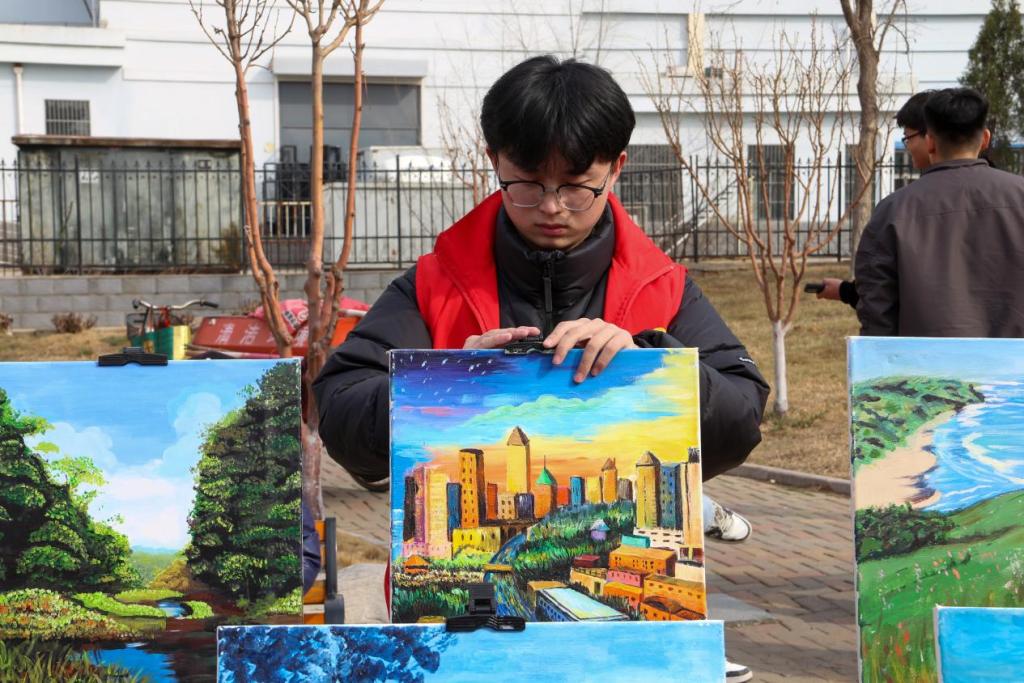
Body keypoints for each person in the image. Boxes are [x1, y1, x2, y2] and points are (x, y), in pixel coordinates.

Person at [314, 55, 768, 682]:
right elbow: (340, 407)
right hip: (447, 639)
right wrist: (442, 380)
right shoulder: (435, 284)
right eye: (527, 184)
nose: (552, 207)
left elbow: (743, 416)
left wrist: (652, 365)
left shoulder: (662, 289)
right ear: (495, 162)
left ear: (616, 168)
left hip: (625, 652)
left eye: (577, 186)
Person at [855, 86, 1024, 336]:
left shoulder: (893, 210)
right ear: (985, 139)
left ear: (930, 141)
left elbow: (877, 311)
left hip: (923, 361)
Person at [816, 90, 934, 308]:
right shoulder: (1004, 194)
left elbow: (881, 291)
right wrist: (846, 291)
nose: (907, 147)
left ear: (930, 138)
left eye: (908, 138)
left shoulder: (899, 208)